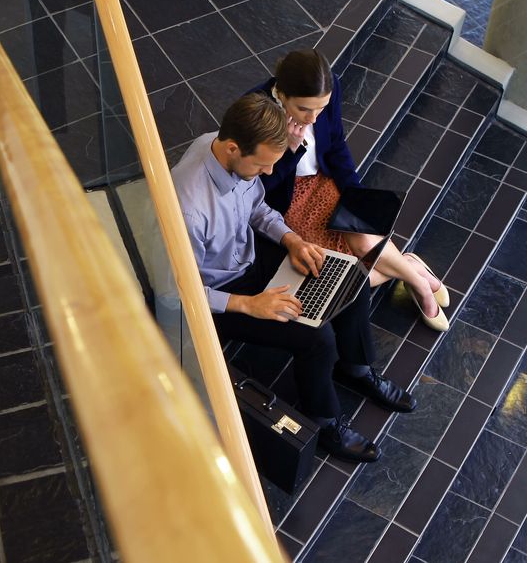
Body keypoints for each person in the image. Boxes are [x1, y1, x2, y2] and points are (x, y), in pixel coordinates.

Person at [172, 93, 416, 463]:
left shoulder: (220, 145)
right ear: (235, 148)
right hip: (221, 293)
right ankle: (326, 421)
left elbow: (256, 208)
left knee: (348, 275)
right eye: (262, 166)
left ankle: (356, 369)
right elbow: (180, 291)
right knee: (317, 339)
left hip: (247, 258)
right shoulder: (189, 212)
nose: (270, 174)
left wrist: (292, 239)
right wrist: (249, 305)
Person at [249, 49, 451, 332]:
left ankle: (419, 284)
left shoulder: (331, 87)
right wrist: (291, 148)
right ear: (281, 94)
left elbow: (337, 144)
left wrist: (355, 196)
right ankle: (412, 269)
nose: (313, 119)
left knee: (364, 243)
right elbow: (256, 186)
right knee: (333, 280)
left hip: (324, 179)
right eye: (304, 110)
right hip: (286, 196)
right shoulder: (256, 111)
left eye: (320, 109)